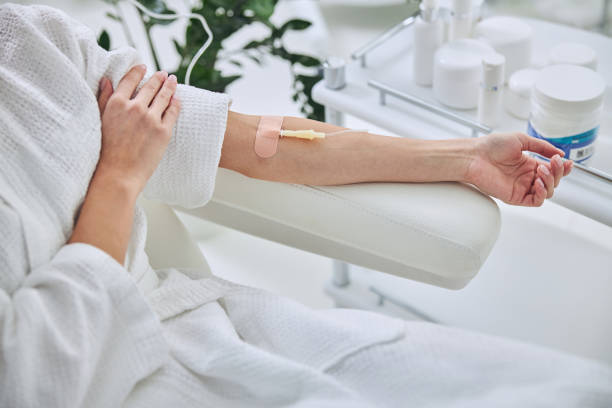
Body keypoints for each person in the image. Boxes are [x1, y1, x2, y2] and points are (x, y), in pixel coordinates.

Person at [0, 4, 610, 408]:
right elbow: (38, 376)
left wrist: (466, 157)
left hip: (213, 327)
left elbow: (255, 139)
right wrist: (118, 176)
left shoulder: (31, 41)